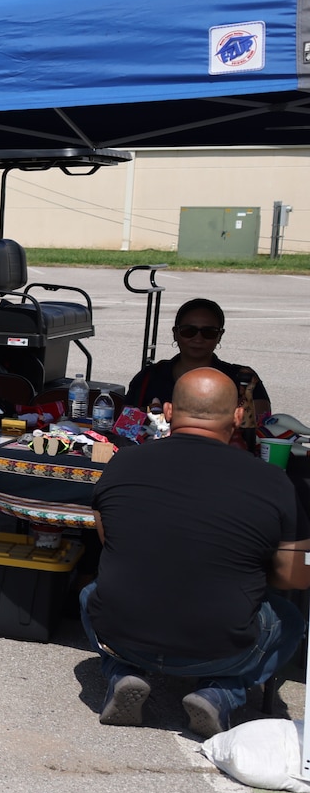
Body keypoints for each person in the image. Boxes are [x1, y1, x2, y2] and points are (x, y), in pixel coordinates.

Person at [83, 368, 308, 736]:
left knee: (90, 593)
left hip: (123, 637)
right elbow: (295, 576)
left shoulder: (122, 463)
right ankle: (222, 693)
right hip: (224, 646)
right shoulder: (273, 481)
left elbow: (110, 540)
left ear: (168, 411)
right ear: (238, 416)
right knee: (291, 621)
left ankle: (122, 672)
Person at [127, 297, 269, 451]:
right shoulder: (149, 377)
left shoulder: (244, 378)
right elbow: (126, 426)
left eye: (209, 332)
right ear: (175, 333)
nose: (198, 338)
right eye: (189, 331)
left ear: (220, 335)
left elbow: (263, 429)